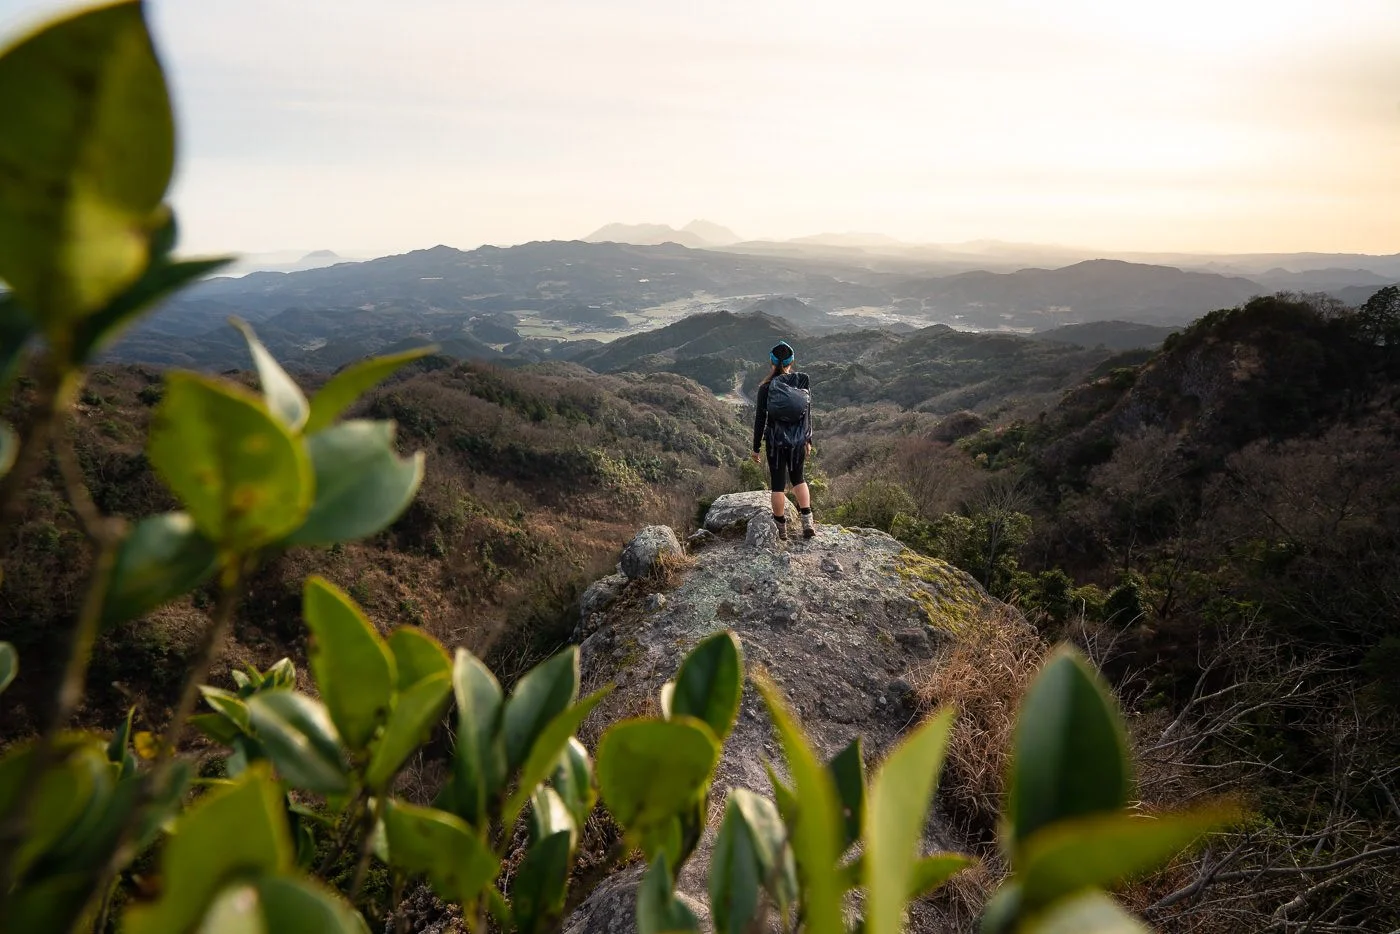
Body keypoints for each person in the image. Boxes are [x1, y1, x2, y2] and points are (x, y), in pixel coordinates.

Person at [751, 340, 816, 540]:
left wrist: (755, 448)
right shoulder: (801, 383)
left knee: (778, 484)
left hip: (775, 441)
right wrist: (808, 439)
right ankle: (807, 523)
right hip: (797, 440)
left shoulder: (766, 388)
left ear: (771, 362)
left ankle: (782, 530)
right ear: (791, 361)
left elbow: (760, 419)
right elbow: (807, 412)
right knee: (799, 479)